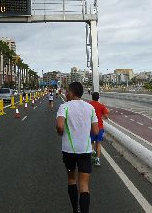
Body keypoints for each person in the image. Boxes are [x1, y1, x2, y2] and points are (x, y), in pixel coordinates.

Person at [56, 82, 99, 213]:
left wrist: (60, 132)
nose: (65, 93)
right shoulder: (90, 108)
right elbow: (96, 131)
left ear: (72, 92)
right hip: (85, 151)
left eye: (67, 91)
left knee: (71, 179)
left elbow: (60, 126)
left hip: (69, 151)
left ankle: (75, 209)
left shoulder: (64, 107)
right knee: (84, 185)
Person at [88, 92, 109, 167]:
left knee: (91, 143)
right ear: (98, 97)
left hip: (91, 127)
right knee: (98, 143)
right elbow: (106, 116)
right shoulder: (102, 106)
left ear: (92, 97)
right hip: (99, 127)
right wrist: (104, 115)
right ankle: (97, 159)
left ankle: (92, 153)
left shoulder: (89, 105)